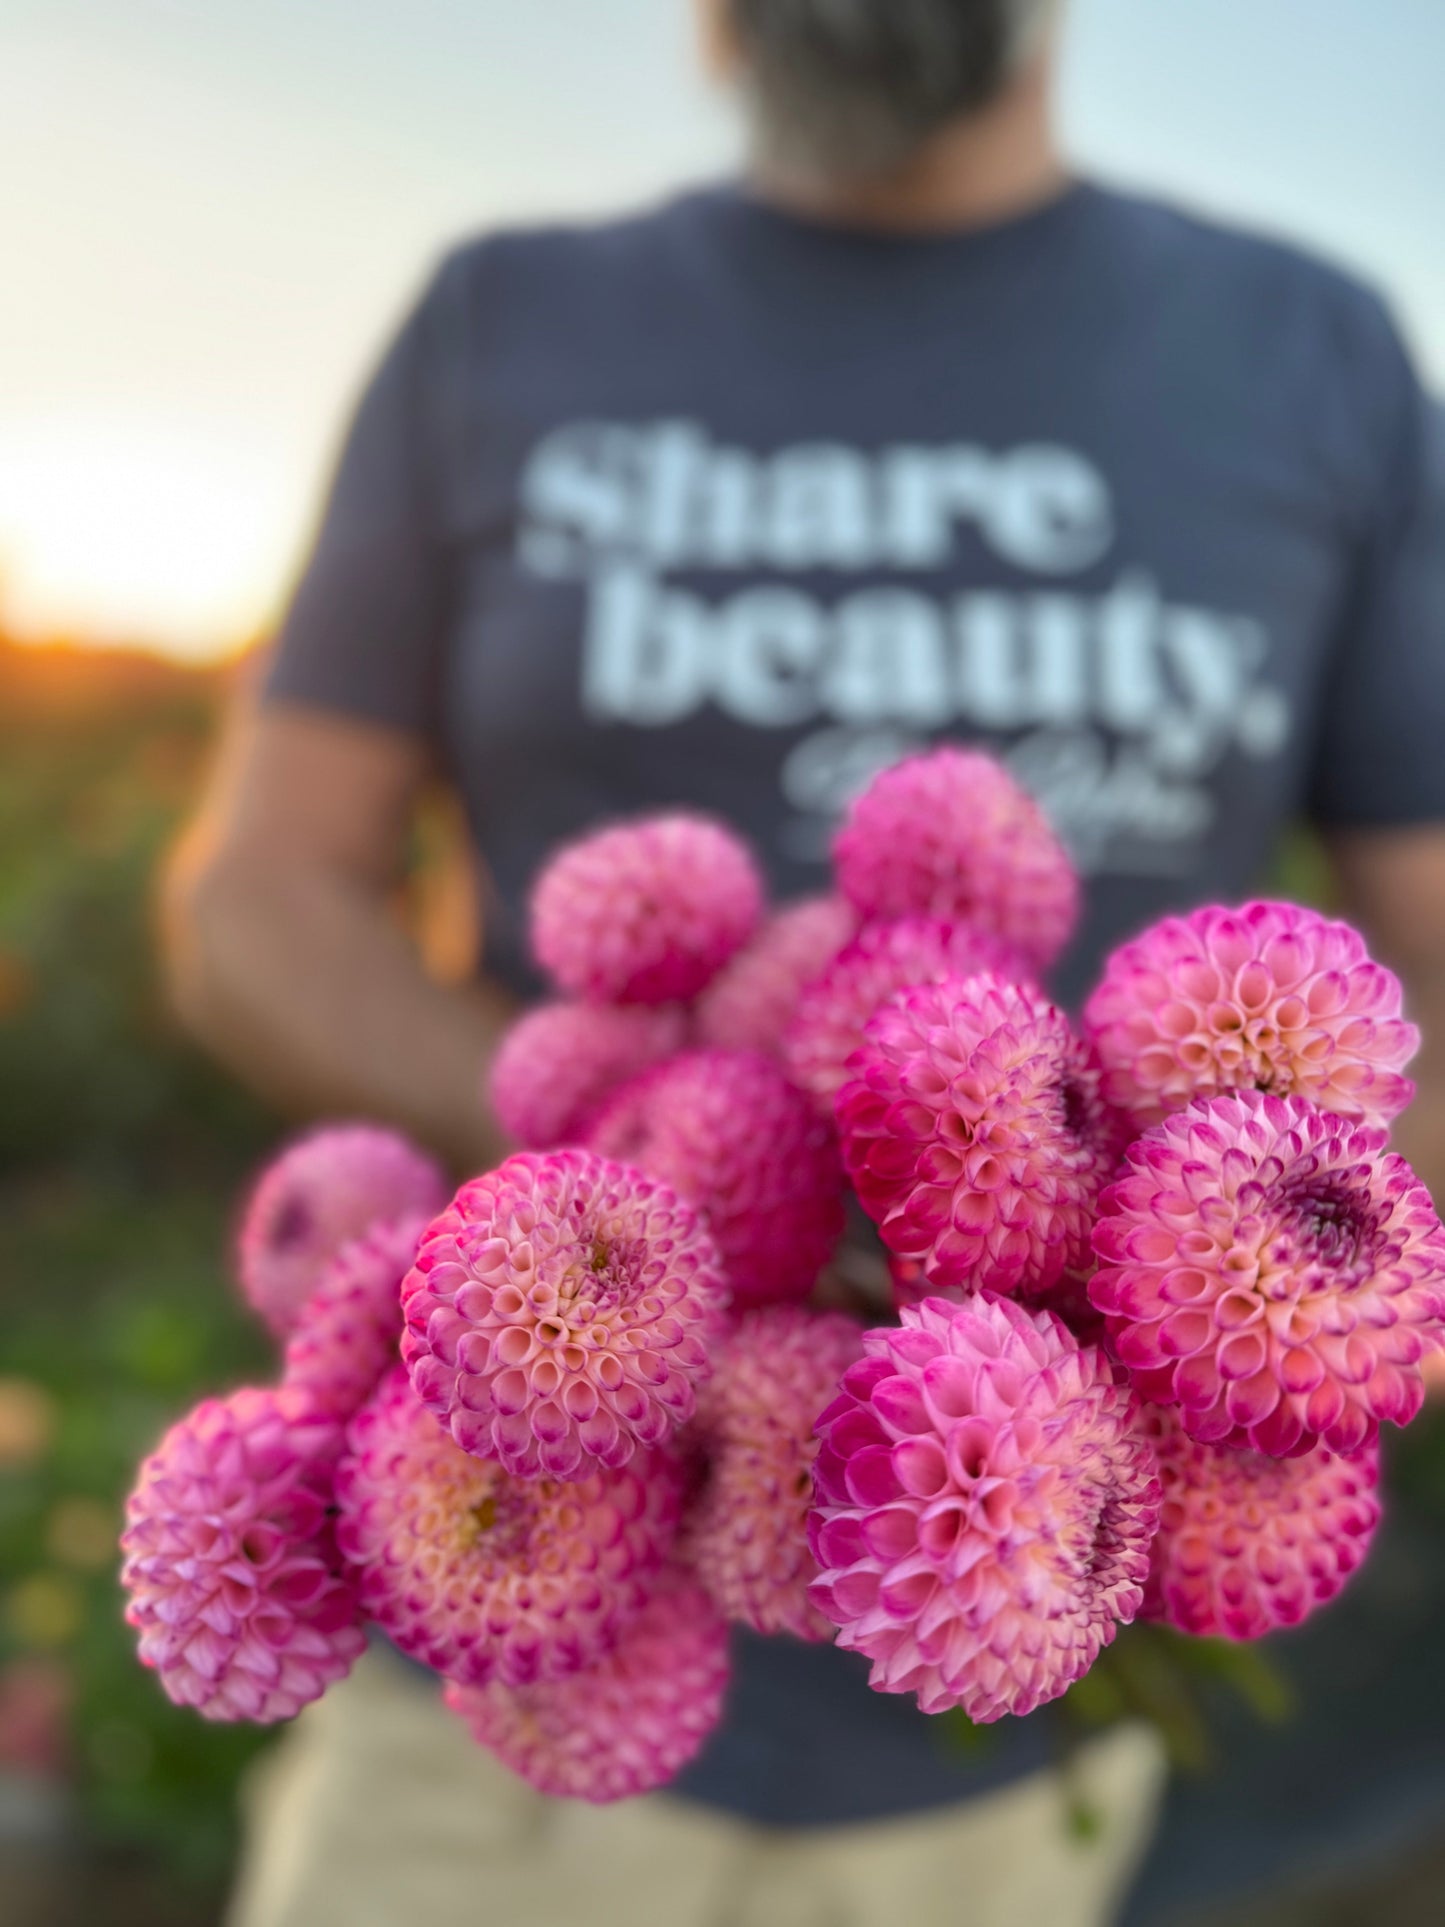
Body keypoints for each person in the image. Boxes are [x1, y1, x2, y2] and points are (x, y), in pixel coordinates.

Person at [165, 2, 1445, 1922]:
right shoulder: (495, 325)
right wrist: (638, 1166)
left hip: (1007, 1752)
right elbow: (254, 899)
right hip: (484, 1742)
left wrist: (1287, 1340)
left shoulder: (1313, 352)